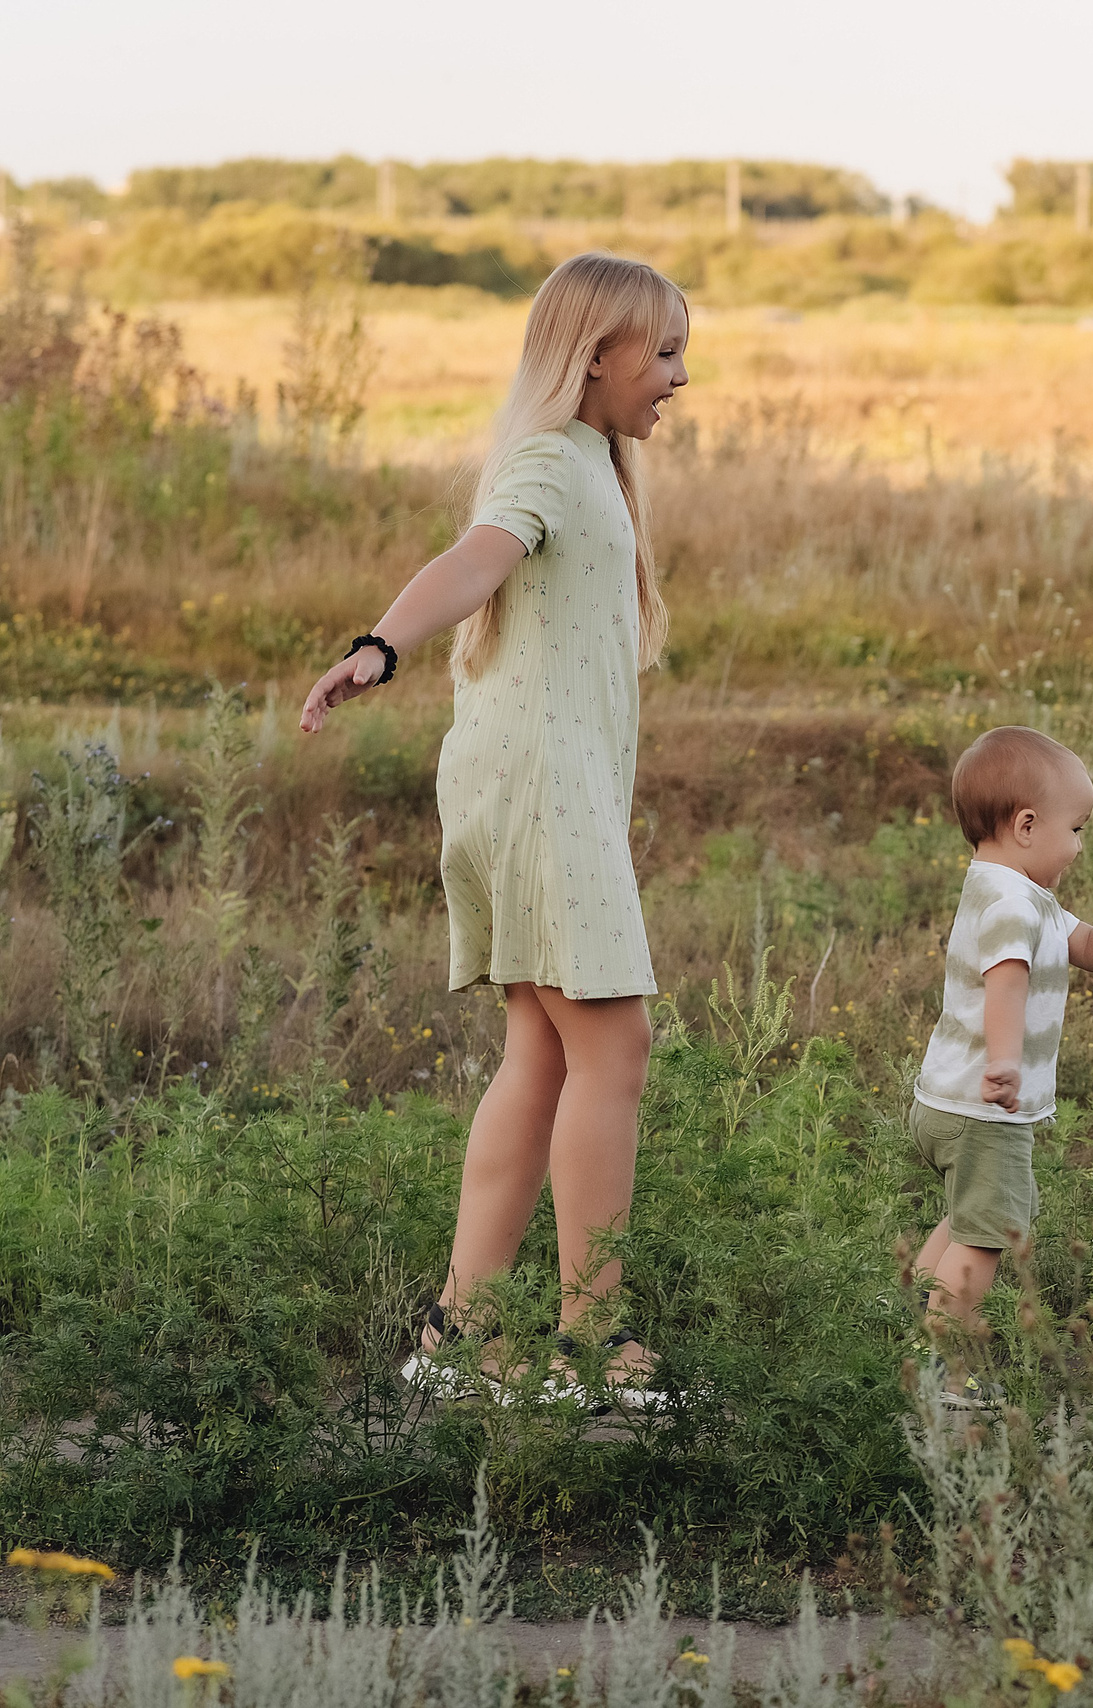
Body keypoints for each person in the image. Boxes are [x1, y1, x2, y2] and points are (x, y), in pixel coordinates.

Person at [298, 252, 690, 1408]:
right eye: (662, 354)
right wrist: (382, 643)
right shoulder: (547, 463)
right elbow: (477, 559)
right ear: (595, 357)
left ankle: (456, 1332)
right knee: (613, 1049)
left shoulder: (589, 468)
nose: (677, 377)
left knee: (547, 1051)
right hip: (536, 786)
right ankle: (597, 1345)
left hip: (533, 782)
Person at [904, 726, 1093, 1409]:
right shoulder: (1011, 902)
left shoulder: (1014, 893)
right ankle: (948, 1369)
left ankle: (914, 1305)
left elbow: (1082, 942)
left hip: (950, 1104)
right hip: (983, 1106)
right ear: (1028, 825)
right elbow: (1006, 984)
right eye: (1077, 829)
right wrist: (1003, 1064)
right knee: (993, 1233)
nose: (1080, 845)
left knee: (976, 1216)